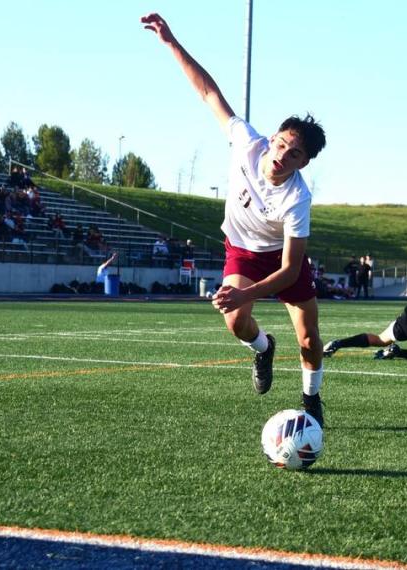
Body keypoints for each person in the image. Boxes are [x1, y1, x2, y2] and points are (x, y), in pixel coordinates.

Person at [143, 12, 328, 425]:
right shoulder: (247, 142)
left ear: (304, 162)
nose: (281, 155)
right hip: (242, 252)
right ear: (274, 137)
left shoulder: (298, 198)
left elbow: (289, 269)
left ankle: (311, 398)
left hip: (282, 262)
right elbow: (208, 92)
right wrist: (171, 41)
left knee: (310, 338)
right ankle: (263, 348)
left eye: (294, 153)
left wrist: (249, 293)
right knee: (234, 322)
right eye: (281, 144)